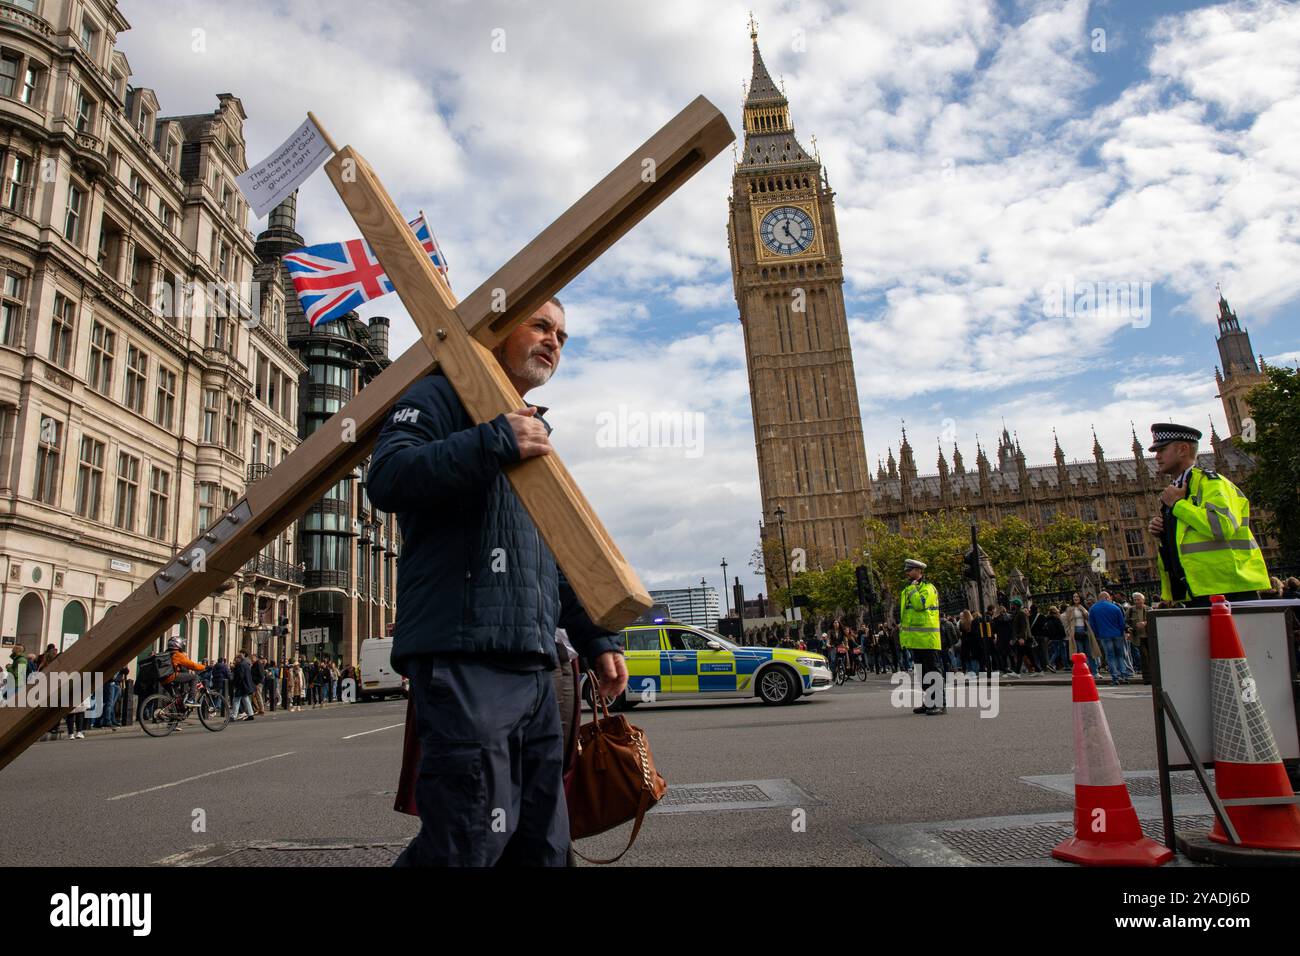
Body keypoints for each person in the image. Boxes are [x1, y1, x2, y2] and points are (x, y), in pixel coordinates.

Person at [367, 297, 628, 867]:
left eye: (562, 333)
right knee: (467, 840)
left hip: (538, 667)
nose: (554, 341)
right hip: (467, 660)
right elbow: (387, 476)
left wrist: (596, 639)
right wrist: (493, 441)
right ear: (496, 331)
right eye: (540, 325)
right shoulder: (439, 396)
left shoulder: (532, 429)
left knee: (543, 845)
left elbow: (549, 558)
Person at [1147, 422, 1270, 606]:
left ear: (1183, 449)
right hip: (1197, 590)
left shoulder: (1212, 483)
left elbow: (1221, 526)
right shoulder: (1177, 489)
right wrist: (1163, 530)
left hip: (1229, 589)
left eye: (1162, 450)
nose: (1156, 456)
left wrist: (1178, 505)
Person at [899, 558, 944, 715]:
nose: (907, 573)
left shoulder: (928, 588)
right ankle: (929, 701)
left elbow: (920, 604)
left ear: (918, 571)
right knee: (923, 674)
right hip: (915, 640)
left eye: (910, 570)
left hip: (928, 639)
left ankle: (939, 703)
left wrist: (912, 590)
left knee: (933, 671)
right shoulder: (907, 589)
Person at [1088, 591, 1131, 686]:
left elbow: (1092, 624)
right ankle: (1124, 675)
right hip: (1117, 634)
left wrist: (1097, 634)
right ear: (1107, 598)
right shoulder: (1115, 607)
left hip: (1104, 635)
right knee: (1120, 655)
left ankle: (1115, 677)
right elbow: (1121, 623)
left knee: (1110, 656)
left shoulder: (1093, 609)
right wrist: (1121, 632)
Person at [231, 653, 255, 721]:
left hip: (241, 685)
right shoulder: (246, 664)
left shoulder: (240, 665)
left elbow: (240, 676)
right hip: (245, 685)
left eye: (236, 658)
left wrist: (235, 684)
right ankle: (251, 714)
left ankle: (234, 716)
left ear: (239, 658)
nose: (235, 660)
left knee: (236, 700)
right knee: (246, 699)